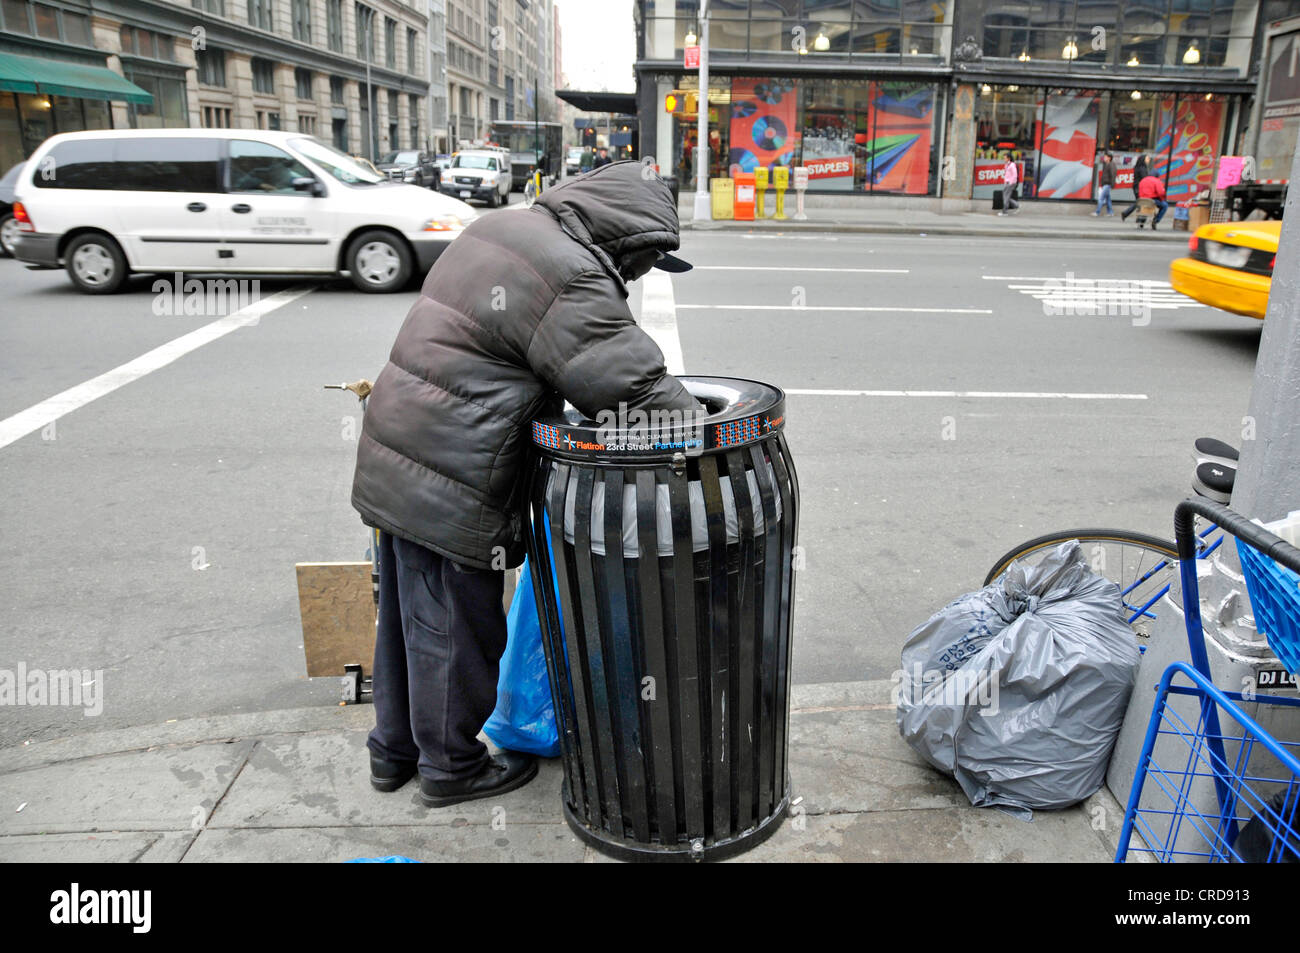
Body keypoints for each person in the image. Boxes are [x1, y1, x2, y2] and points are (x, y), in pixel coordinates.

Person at [351, 161, 698, 809]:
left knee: (405, 622)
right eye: (643, 261)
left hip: (397, 445)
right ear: (624, 235)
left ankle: (393, 752)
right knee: (458, 631)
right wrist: (701, 430)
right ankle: (451, 767)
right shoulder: (567, 273)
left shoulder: (504, 227)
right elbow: (631, 387)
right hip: (448, 472)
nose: (637, 275)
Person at [1120, 154, 1150, 221]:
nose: (1149, 160)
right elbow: (1145, 178)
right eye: (1147, 159)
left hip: (1137, 187)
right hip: (1140, 188)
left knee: (1140, 202)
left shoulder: (1139, 167)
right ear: (1143, 159)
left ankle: (1138, 218)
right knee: (1140, 202)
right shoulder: (1142, 168)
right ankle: (1127, 213)